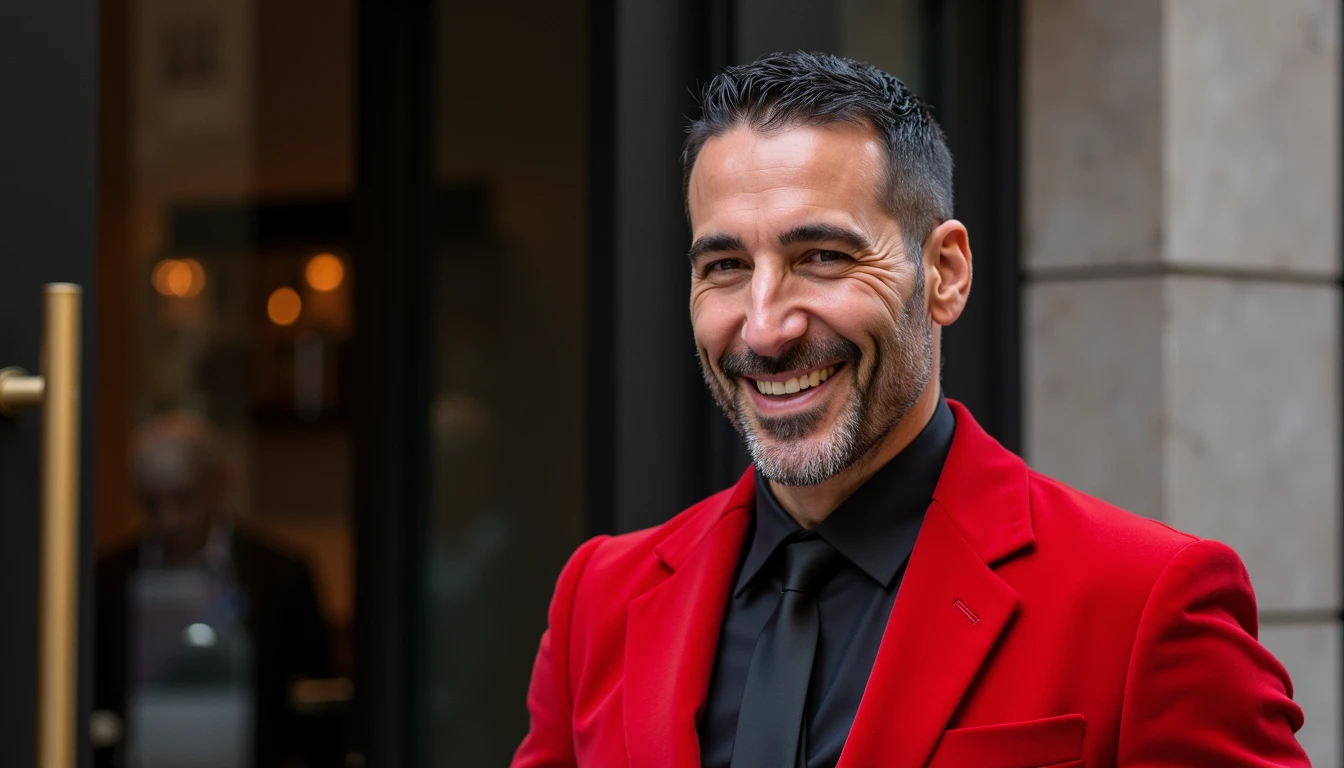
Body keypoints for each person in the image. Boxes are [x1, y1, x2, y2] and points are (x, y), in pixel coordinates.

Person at [512, 52, 1309, 767]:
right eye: (724, 265)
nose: (763, 325)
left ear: (946, 273)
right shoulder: (599, 603)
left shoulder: (1145, 603)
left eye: (820, 257)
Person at [94, 411, 337, 767]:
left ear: (220, 483)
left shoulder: (281, 576)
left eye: (183, 499)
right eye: (151, 503)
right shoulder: (108, 579)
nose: (168, 520)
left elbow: (313, 705)